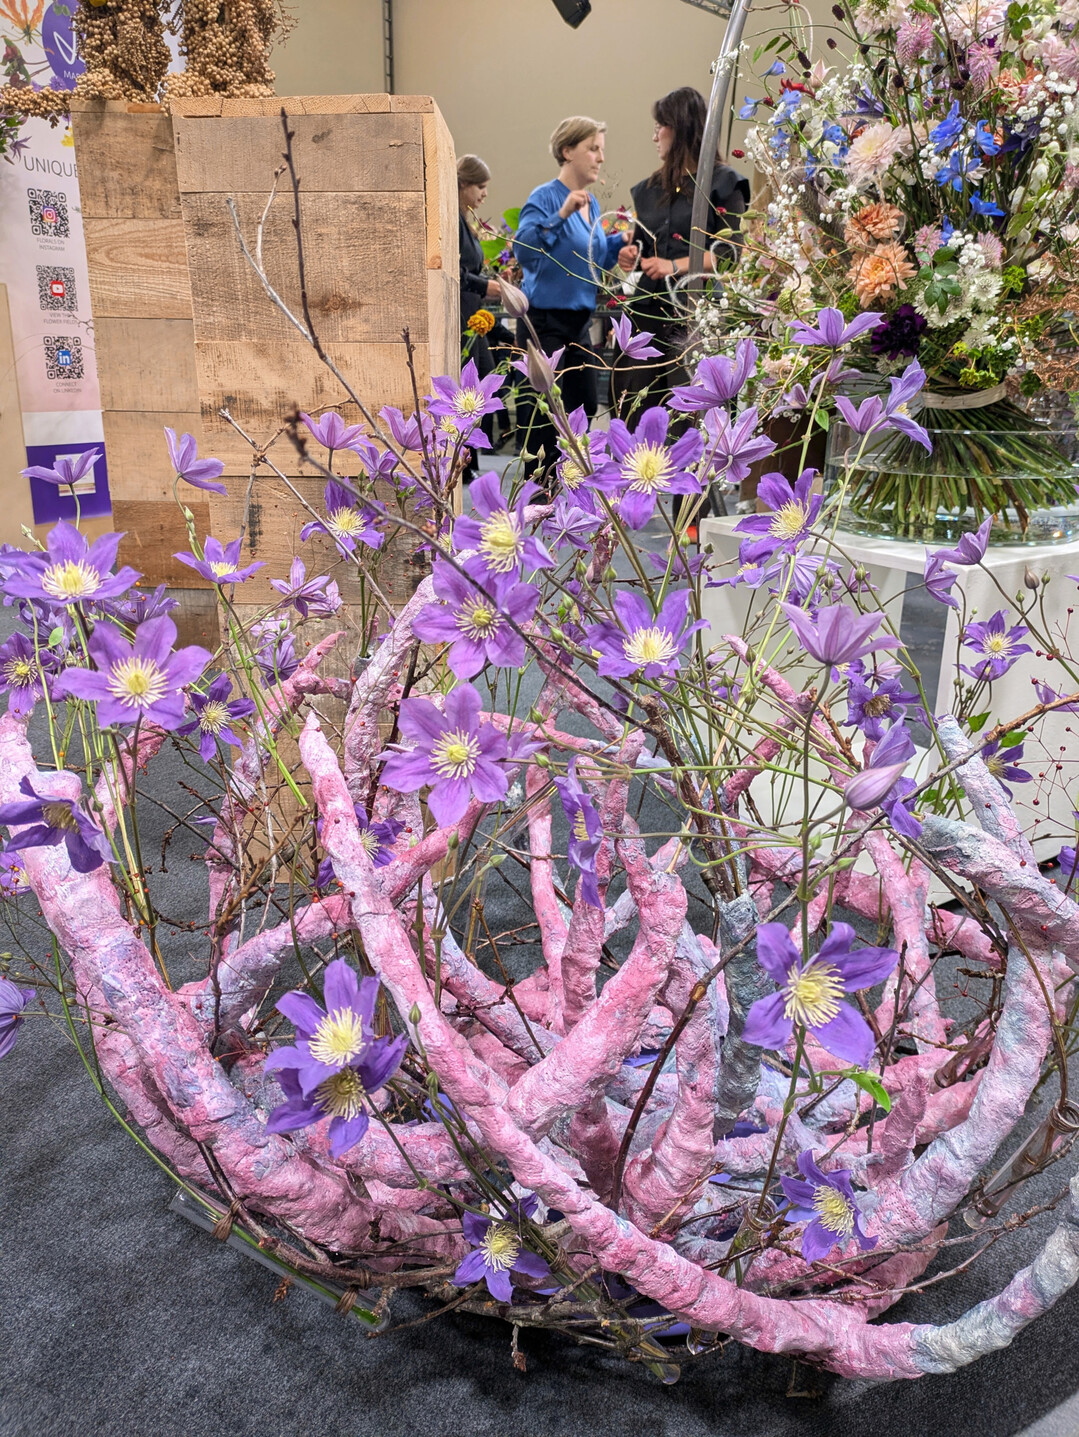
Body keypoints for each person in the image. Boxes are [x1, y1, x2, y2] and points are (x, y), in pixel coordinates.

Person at [612, 87, 750, 417]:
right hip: (647, 310)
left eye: (660, 126)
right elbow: (643, 248)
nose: (655, 135)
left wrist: (674, 265)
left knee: (688, 408)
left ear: (679, 127)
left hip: (695, 310)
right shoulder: (648, 189)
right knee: (636, 404)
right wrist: (629, 257)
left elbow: (731, 254)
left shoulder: (724, 183)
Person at [513, 115, 634, 479]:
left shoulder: (593, 205)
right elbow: (524, 250)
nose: (600, 158)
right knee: (544, 420)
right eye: (593, 149)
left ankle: (572, 492)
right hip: (545, 322)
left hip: (578, 323)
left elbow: (591, 255)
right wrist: (561, 214)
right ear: (567, 151)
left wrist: (618, 249)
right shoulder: (545, 196)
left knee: (582, 411)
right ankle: (541, 493)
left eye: (601, 150)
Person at [457, 155, 506, 473]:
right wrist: (485, 285)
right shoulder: (454, 221)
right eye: (481, 186)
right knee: (470, 392)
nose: (484, 194)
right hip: (463, 313)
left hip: (473, 313)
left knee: (484, 386)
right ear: (463, 184)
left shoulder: (465, 220)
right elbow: (457, 272)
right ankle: (465, 461)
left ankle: (471, 458)